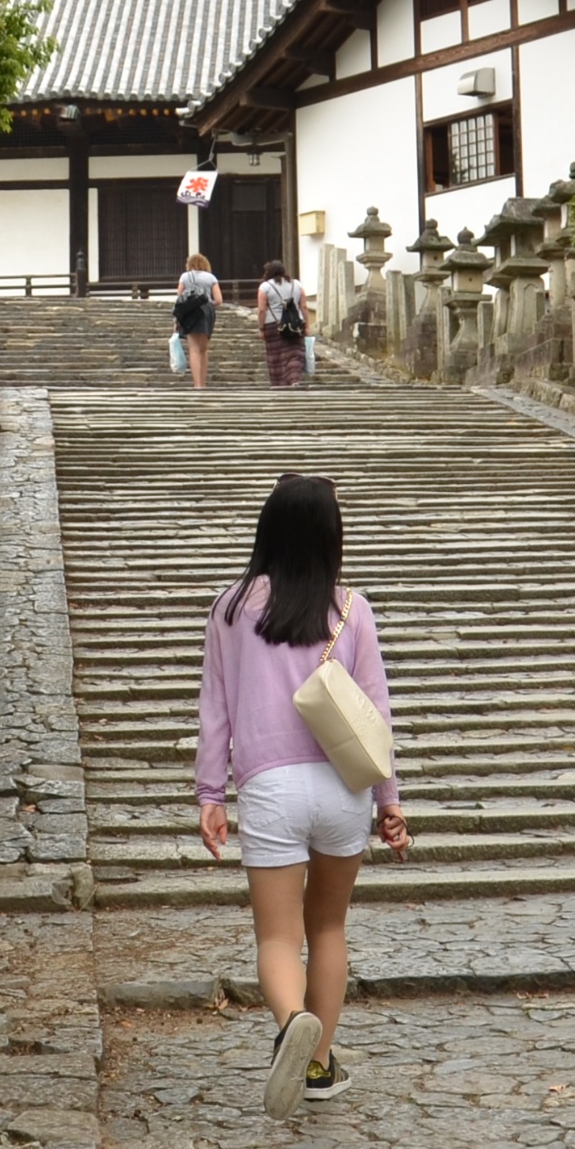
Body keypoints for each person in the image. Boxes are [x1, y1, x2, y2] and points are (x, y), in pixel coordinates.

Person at [193, 472, 408, 1113]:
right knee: (329, 927)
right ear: (329, 538)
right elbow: (375, 713)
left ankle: (293, 1024)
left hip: (269, 787)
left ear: (269, 530)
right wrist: (389, 800)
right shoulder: (351, 609)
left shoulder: (231, 609)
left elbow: (215, 709)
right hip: (343, 786)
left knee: (278, 939)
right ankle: (317, 1067)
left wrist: (210, 794)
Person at [257, 261, 311, 389]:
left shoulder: (265, 287)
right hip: (296, 324)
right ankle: (294, 379)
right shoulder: (297, 284)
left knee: (276, 356)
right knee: (295, 354)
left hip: (273, 324)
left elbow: (262, 310)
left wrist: (261, 328)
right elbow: (303, 306)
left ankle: (279, 385)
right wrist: (307, 325)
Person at [171, 249, 220, 389]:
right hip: (206, 312)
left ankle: (197, 385)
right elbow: (219, 300)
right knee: (203, 350)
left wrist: (177, 320)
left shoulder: (185, 276)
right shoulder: (211, 278)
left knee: (193, 349)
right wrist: (207, 304)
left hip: (189, 313)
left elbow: (179, 299)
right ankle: (203, 384)